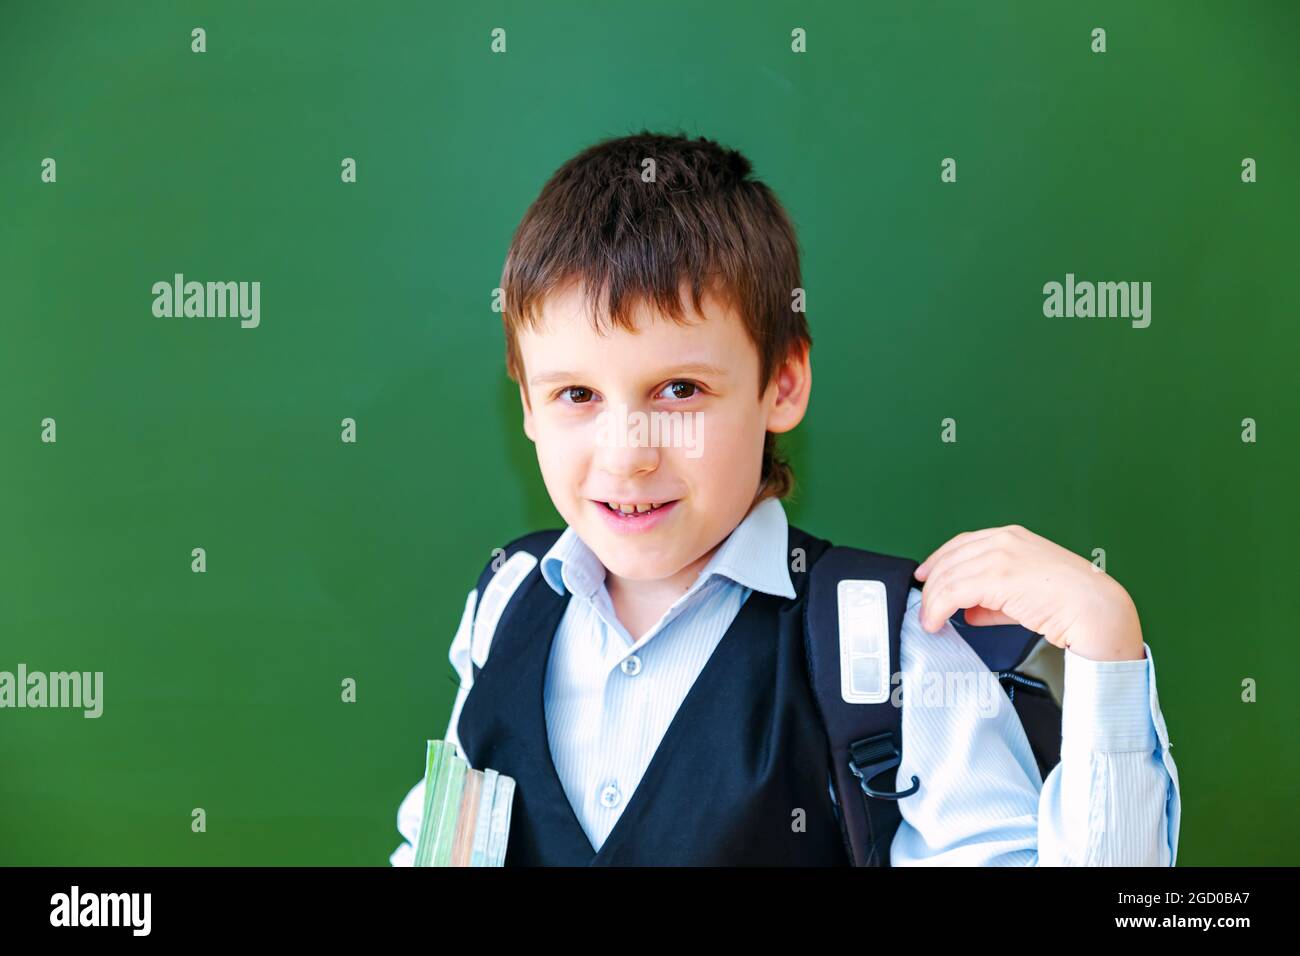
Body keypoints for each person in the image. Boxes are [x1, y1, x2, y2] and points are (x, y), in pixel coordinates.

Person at [391, 131, 1179, 866]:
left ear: (784, 384)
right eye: (575, 394)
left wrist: (1107, 651)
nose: (627, 455)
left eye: (679, 389)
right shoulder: (503, 605)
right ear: (525, 403)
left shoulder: (890, 648)